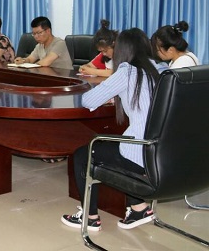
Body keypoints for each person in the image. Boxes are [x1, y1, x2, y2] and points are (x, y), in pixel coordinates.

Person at [61, 28, 163, 232]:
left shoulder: (126, 71)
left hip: (141, 150)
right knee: (117, 146)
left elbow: (88, 100)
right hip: (164, 152)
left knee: (84, 154)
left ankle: (89, 217)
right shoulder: (162, 68)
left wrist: (113, 92)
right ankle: (139, 208)